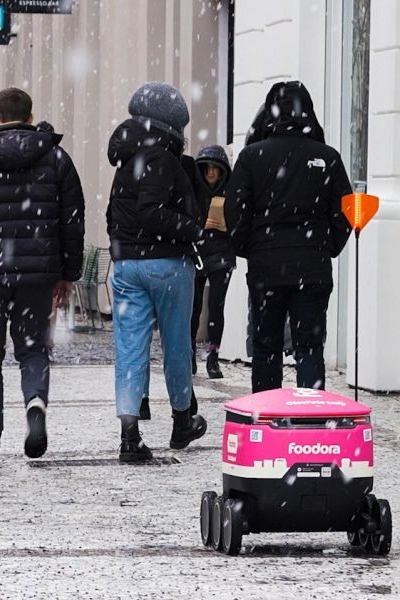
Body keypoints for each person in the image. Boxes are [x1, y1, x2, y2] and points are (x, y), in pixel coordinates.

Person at [0, 88, 85, 464]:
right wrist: (68, 273)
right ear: (30, 115)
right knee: (33, 350)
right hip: (37, 275)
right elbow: (72, 221)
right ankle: (35, 401)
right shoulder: (55, 158)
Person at [225, 81, 352, 393]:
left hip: (266, 266)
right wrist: (329, 246)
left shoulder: (252, 156)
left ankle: (267, 418)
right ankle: (310, 418)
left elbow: (235, 210)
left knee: (266, 348)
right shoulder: (328, 158)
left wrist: (248, 247)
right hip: (313, 266)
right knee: (309, 347)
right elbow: (345, 211)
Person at [106, 81, 207, 461]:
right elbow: (153, 212)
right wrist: (192, 229)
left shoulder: (125, 160)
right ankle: (182, 420)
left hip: (127, 265)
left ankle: (129, 435)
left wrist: (124, 247)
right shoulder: (162, 158)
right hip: (167, 263)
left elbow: (115, 214)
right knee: (177, 345)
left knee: (130, 350)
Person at [191, 144, 234, 379]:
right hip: (197, 252)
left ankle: (213, 355)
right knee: (194, 306)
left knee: (216, 306)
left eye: (215, 169)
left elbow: (240, 219)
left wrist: (227, 226)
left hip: (221, 252)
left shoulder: (231, 191)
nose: (210, 174)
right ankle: (190, 352)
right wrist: (200, 226)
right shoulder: (193, 190)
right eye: (206, 169)